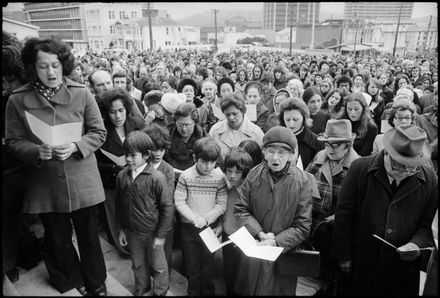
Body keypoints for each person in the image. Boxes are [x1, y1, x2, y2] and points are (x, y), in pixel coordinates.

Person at [5, 37, 107, 296]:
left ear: (64, 65)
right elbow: (14, 142)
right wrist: (35, 151)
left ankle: (96, 281)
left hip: (81, 177)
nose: (50, 72)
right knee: (57, 237)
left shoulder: (82, 93)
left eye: (55, 65)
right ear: (31, 68)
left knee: (88, 236)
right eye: (42, 66)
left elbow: (98, 132)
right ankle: (68, 279)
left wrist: (76, 146)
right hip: (44, 180)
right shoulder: (17, 100)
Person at [332, 125, 438, 296]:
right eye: (399, 166)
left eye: (411, 168)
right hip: (361, 262)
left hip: (401, 270)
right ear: (386, 153)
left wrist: (416, 244)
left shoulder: (430, 179)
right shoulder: (359, 168)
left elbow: (428, 224)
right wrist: (343, 256)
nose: (404, 172)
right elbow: (344, 216)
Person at [234, 126, 313, 295]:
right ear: (264, 152)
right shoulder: (254, 174)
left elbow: (303, 226)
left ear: (291, 155)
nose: (275, 158)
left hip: (282, 254)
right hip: (255, 249)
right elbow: (241, 209)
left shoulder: (303, 181)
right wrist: (260, 233)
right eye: (271, 151)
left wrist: (276, 241)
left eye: (282, 153)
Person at [115, 131, 173, 296]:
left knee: (159, 266)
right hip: (133, 233)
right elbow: (118, 205)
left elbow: (167, 207)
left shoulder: (157, 178)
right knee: (138, 264)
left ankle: (161, 291)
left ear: (147, 155)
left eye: (133, 155)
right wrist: (120, 230)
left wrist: (161, 234)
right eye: (126, 155)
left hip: (153, 233)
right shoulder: (121, 176)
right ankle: (142, 288)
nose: (128, 159)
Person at [305, 119, 359, 294]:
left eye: (335, 145)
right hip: (314, 227)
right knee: (313, 277)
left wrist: (340, 216)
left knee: (335, 280)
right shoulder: (319, 157)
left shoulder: (357, 166)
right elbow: (305, 182)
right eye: (327, 144)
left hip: (338, 234)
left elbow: (362, 204)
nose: (330, 149)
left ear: (348, 145)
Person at [95, 88, 146, 256]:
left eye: (121, 110)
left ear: (127, 108)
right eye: (112, 112)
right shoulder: (100, 129)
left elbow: (148, 150)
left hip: (137, 181)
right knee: (114, 214)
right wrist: (115, 169)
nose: (117, 116)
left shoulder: (138, 124)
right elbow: (94, 162)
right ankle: (122, 248)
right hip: (111, 182)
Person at [174, 137, 228, 296]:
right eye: (204, 161)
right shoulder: (185, 176)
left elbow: (222, 203)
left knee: (208, 264)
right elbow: (179, 201)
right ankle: (193, 291)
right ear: (194, 158)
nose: (208, 166)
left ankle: (207, 291)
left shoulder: (219, 178)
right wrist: (194, 218)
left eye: (212, 162)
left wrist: (207, 219)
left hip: (208, 227)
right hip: (189, 228)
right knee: (192, 265)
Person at [221, 147, 254, 296]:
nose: (232, 176)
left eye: (237, 172)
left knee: (241, 280)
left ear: (245, 173)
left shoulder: (248, 191)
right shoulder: (226, 187)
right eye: (229, 171)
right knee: (228, 274)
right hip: (227, 237)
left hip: (243, 239)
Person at [209, 92, 264, 159]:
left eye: (235, 114)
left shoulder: (256, 133)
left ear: (242, 111)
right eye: (228, 114)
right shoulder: (215, 130)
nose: (231, 118)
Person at [279, 97, 325, 169]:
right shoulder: (277, 139)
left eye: (295, 119)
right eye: (287, 120)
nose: (291, 124)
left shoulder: (317, 143)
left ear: (304, 118)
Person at [163, 102, 207, 173]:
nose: (184, 129)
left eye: (187, 125)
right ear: (175, 122)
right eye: (180, 125)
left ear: (195, 122)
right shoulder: (166, 135)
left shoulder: (203, 137)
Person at [343, 92, 378, 157]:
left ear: (363, 109)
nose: (352, 112)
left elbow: (365, 153)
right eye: (349, 109)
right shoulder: (341, 122)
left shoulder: (371, 127)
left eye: (356, 109)